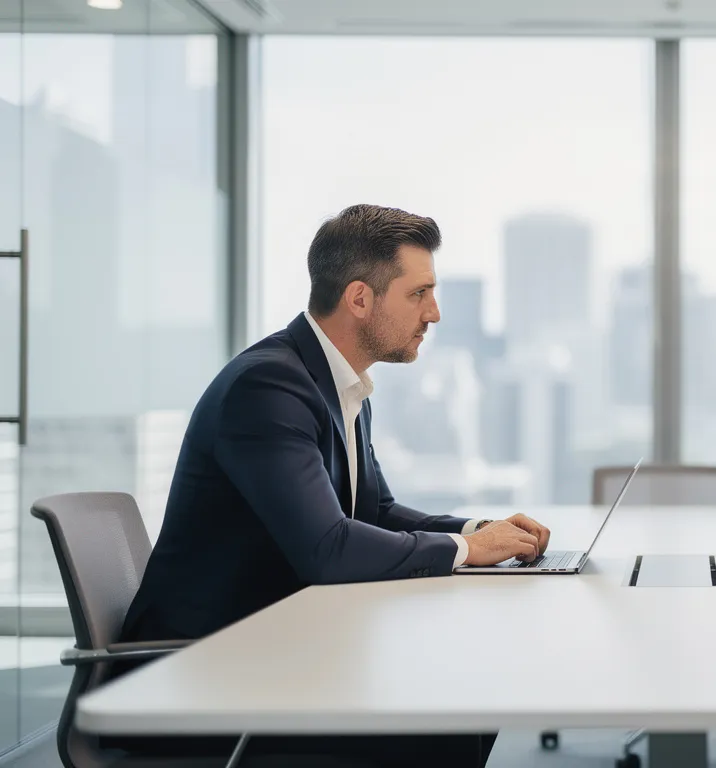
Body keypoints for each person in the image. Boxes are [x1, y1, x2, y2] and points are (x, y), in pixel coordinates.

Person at [116, 204, 548, 767]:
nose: (435, 313)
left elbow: (377, 511)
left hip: (274, 653)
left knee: (461, 697)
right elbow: (328, 550)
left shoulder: (337, 384)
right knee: (450, 717)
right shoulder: (268, 387)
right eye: (419, 294)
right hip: (203, 679)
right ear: (361, 298)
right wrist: (468, 551)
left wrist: (477, 530)